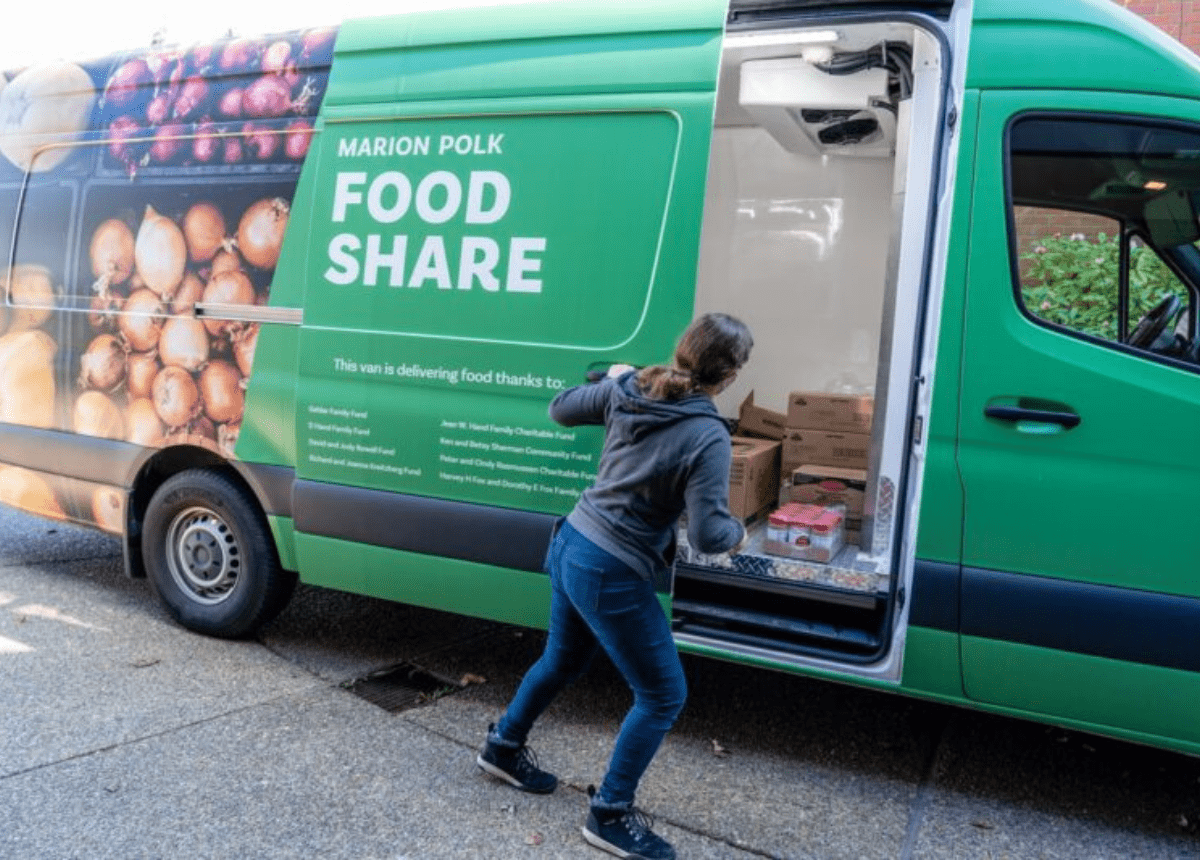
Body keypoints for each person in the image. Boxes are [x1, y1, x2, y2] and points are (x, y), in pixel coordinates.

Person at [476, 312, 754, 860]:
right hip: (611, 568)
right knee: (663, 694)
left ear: (682, 351)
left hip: (572, 541)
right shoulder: (708, 434)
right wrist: (741, 531)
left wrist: (611, 382)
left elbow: (560, 407)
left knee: (562, 659)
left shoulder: (630, 387)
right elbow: (708, 532)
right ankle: (609, 815)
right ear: (729, 376)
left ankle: (502, 747)